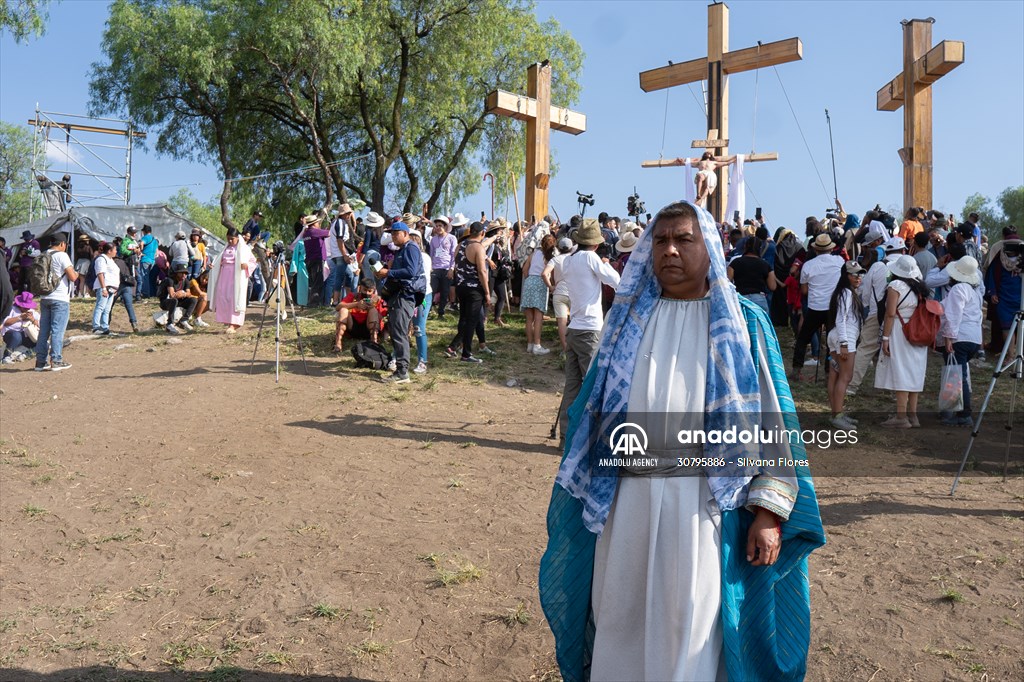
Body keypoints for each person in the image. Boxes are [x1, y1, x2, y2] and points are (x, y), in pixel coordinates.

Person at [539, 200, 824, 682]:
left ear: (709, 248)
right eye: (661, 240)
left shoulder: (744, 324)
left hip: (703, 507)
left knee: (688, 623)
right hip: (626, 503)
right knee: (619, 615)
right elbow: (593, 411)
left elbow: (774, 421)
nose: (670, 250)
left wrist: (770, 512)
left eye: (684, 239)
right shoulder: (626, 323)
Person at [556, 218, 620, 442]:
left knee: (572, 386)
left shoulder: (569, 260)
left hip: (573, 329)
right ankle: (591, 438)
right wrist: (607, 264)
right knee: (592, 386)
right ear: (595, 243)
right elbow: (616, 282)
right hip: (589, 329)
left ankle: (567, 435)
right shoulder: (591, 258)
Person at [875, 255, 930, 428]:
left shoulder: (896, 286)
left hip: (900, 331)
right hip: (917, 331)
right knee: (914, 372)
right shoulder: (920, 287)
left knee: (901, 371)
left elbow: (890, 313)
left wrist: (885, 337)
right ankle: (913, 415)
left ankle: (901, 416)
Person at [376, 221, 425, 383]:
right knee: (397, 331)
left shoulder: (410, 248)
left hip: (405, 295)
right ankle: (401, 370)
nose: (393, 236)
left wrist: (388, 272)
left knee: (399, 333)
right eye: (392, 233)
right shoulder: (402, 250)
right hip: (398, 296)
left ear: (406, 234)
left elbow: (411, 271)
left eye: (396, 233)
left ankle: (402, 372)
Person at [940, 256, 984, 427]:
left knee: (957, 376)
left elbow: (953, 314)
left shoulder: (958, 289)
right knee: (958, 374)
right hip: (973, 337)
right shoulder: (974, 292)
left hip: (960, 336)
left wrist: (949, 337)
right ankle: (950, 410)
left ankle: (963, 414)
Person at [792, 233, 844, 375]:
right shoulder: (839, 261)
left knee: (803, 338)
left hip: (815, 306)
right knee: (831, 341)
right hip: (833, 306)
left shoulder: (808, 265)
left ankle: (797, 369)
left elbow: (804, 290)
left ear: (815, 249)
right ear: (831, 249)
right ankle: (829, 371)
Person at [847, 222, 889, 395]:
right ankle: (891, 388)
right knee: (891, 351)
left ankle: (851, 385)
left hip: (875, 313)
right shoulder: (907, 266)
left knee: (865, 348)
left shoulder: (876, 267)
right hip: (901, 316)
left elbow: (864, 293)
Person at [444, 222, 491, 364]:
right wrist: (487, 292)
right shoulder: (479, 248)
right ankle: (465, 353)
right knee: (472, 321)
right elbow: (482, 271)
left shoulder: (460, 246)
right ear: (482, 233)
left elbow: (457, 266)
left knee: (464, 318)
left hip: (461, 287)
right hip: (474, 288)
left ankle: (454, 347)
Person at [826, 261, 866, 429]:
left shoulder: (845, 293)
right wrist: (844, 343)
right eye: (854, 274)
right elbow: (840, 319)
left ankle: (837, 413)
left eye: (860, 274)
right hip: (844, 338)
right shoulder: (846, 293)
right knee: (845, 377)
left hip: (841, 337)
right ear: (846, 276)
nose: (858, 278)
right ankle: (837, 415)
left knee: (836, 376)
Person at [34, 233, 78, 371]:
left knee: (44, 331)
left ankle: (40, 362)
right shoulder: (62, 255)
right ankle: (56, 360)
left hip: (45, 297)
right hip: (60, 298)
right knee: (57, 330)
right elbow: (72, 277)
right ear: (62, 244)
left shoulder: (43, 254)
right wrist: (76, 273)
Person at [208, 227, 257, 333]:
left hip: (237, 276)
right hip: (224, 275)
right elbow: (219, 260)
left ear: (237, 238)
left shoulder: (244, 249)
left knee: (235, 298)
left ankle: (234, 323)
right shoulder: (225, 248)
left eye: (232, 239)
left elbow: (253, 261)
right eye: (228, 239)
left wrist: (246, 265)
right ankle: (227, 319)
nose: (230, 241)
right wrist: (214, 265)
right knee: (224, 297)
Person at [984, 237, 1022, 355]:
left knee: (1021, 328)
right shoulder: (999, 260)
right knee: (1006, 327)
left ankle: (1019, 354)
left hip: (1021, 299)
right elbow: (991, 276)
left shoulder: (1023, 260)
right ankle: (1010, 355)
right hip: (1003, 299)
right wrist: (993, 292)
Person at [521, 234, 557, 355]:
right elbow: (549, 274)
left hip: (529, 281)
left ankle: (530, 344)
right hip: (541, 283)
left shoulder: (534, 253)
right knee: (538, 317)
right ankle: (537, 344)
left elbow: (524, 270)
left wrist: (529, 279)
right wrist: (551, 285)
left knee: (529, 317)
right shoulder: (550, 258)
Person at [727, 236, 777, 314]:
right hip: (759, 299)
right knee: (759, 325)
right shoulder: (765, 265)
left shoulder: (735, 262)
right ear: (760, 248)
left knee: (742, 325)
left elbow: (727, 282)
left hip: (740, 298)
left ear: (745, 246)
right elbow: (772, 286)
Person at [333, 278, 386, 351]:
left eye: (369, 291)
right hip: (353, 327)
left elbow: (383, 315)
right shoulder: (353, 296)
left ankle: (374, 341)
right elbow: (338, 307)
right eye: (364, 290)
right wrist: (356, 304)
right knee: (343, 310)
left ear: (373, 290)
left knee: (373, 311)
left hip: (369, 327)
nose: (367, 293)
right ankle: (338, 343)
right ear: (360, 288)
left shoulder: (377, 299)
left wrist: (372, 307)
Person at [544, 237, 575, 352]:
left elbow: (544, 273)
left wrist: (550, 286)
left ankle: (565, 348)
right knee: (575, 320)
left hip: (559, 292)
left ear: (558, 248)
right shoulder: (574, 258)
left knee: (561, 322)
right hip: (573, 292)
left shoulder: (554, 260)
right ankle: (575, 347)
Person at [429, 216, 458, 319]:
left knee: (445, 291)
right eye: (436, 226)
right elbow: (431, 254)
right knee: (431, 290)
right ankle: (428, 311)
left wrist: (451, 269)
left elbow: (454, 254)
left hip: (446, 268)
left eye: (440, 226)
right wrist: (430, 267)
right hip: (435, 268)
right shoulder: (433, 240)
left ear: (445, 227)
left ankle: (441, 313)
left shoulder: (451, 238)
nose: (438, 228)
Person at [157, 263, 198, 335]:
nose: (184, 275)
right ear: (177, 273)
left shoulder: (186, 281)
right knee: (174, 300)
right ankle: (169, 324)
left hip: (178, 301)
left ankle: (184, 320)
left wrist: (183, 293)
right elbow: (172, 295)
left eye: (185, 273)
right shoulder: (170, 280)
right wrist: (182, 293)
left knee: (193, 300)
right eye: (182, 273)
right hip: (165, 302)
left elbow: (189, 294)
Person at [2, 291, 40, 364]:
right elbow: (5, 323)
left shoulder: (31, 311)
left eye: (28, 307)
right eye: (25, 307)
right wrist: (20, 317)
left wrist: (33, 320)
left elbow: (39, 325)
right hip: (11, 335)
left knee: (44, 344)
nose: (27, 309)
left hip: (27, 335)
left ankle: (26, 355)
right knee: (16, 336)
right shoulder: (11, 309)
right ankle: (6, 356)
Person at [91, 241, 120, 335]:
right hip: (104, 286)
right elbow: (100, 273)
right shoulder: (101, 259)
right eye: (115, 250)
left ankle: (105, 327)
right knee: (100, 306)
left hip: (112, 287)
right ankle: (96, 326)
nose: (116, 251)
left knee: (107, 309)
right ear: (109, 251)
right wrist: (103, 288)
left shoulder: (111, 260)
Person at [138, 225, 159, 297]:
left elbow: (141, 243)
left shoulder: (145, 237)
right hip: (152, 260)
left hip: (145, 259)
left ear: (144, 231)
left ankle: (145, 293)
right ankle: (152, 293)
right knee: (150, 278)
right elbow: (157, 251)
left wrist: (140, 251)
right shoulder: (155, 240)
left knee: (144, 277)